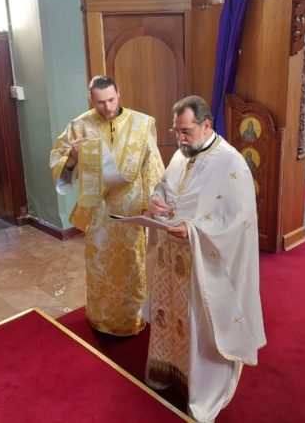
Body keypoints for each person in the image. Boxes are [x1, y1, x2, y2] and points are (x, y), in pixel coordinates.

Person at [145, 95, 266, 422]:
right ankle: (169, 371)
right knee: (172, 315)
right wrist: (156, 198)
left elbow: (239, 221)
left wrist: (195, 231)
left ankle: (202, 387)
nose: (180, 139)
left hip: (202, 263)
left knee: (196, 323)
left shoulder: (231, 163)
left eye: (185, 131)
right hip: (172, 259)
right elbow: (164, 186)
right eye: (176, 131)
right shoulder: (182, 154)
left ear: (206, 125)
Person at [49, 76, 164, 336]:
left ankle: (132, 319)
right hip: (99, 213)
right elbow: (59, 163)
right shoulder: (79, 126)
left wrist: (149, 204)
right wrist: (72, 157)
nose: (108, 107)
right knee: (100, 265)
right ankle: (101, 318)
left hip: (132, 211)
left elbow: (152, 167)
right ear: (91, 99)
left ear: (118, 93)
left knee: (132, 265)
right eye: (100, 102)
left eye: (111, 99)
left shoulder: (141, 124)